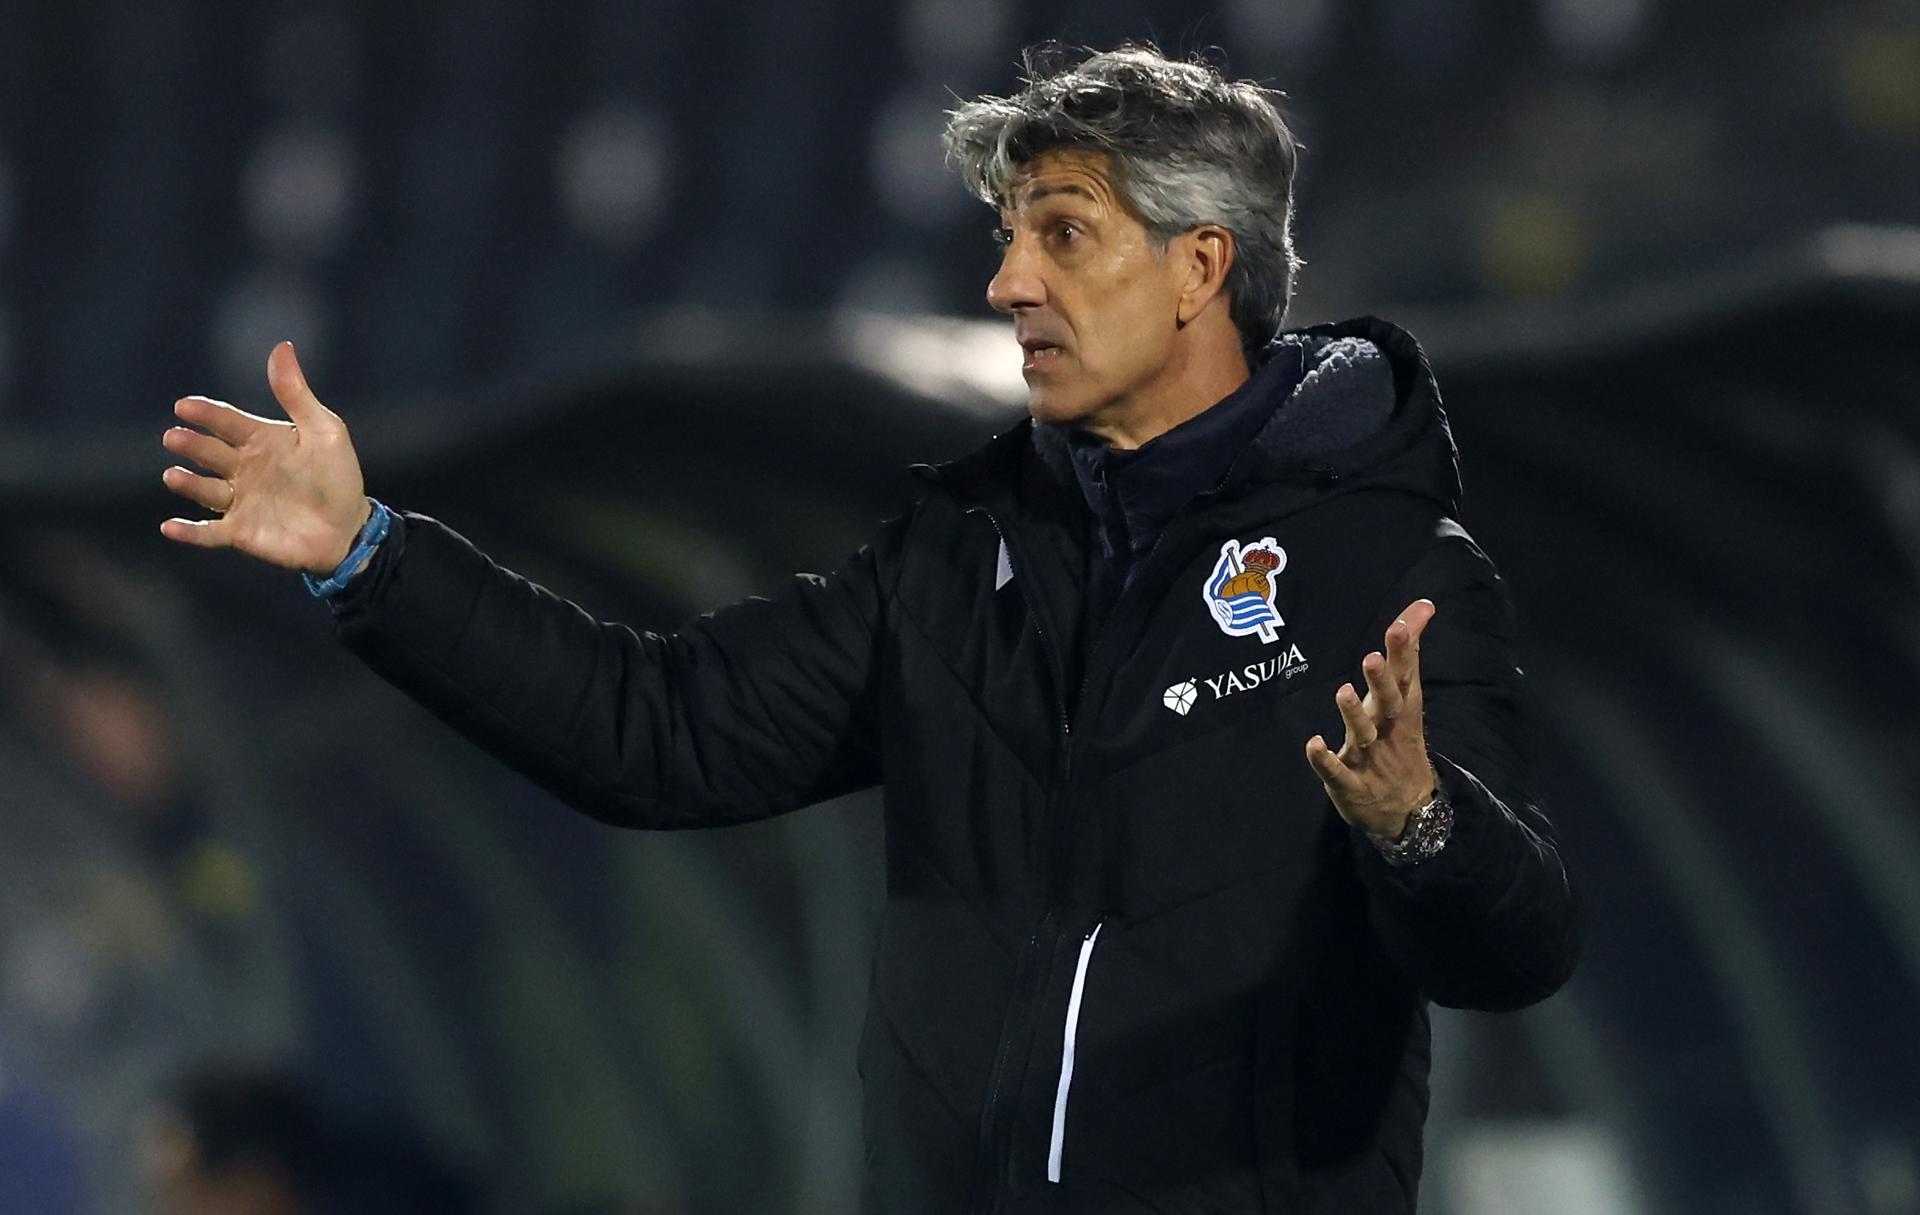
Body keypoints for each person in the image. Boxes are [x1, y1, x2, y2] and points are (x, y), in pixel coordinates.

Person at [158, 44, 1577, 1215]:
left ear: (1201, 266)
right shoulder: (961, 561)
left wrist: (1418, 827)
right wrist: (369, 557)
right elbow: (662, 735)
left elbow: (1515, 953)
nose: (1008, 283)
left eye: (1062, 234)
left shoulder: (1380, 568)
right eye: (1009, 236)